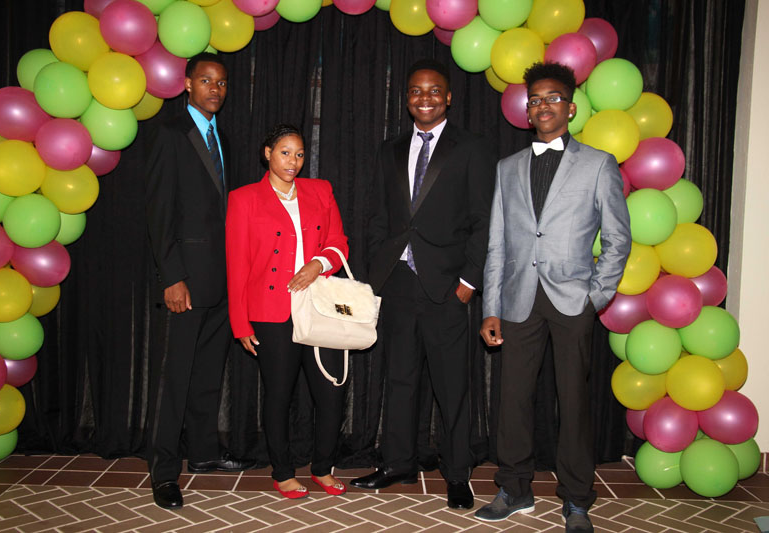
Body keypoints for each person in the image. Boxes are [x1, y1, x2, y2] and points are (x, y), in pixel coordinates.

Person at [474, 62, 631, 533]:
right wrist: (491, 307)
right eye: (536, 100)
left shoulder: (598, 164)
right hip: (518, 299)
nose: (544, 106)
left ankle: (577, 500)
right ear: (527, 111)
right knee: (512, 400)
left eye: (553, 98)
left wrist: (596, 297)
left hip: (572, 300)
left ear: (571, 108)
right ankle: (514, 488)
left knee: (574, 403)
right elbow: (498, 243)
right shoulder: (507, 168)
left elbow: (618, 239)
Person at [351, 59, 496, 510]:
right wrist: (378, 271)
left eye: (434, 91)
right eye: (416, 91)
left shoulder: (471, 148)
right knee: (399, 379)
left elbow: (484, 219)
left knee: (451, 386)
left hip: (448, 286)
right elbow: (377, 214)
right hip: (397, 282)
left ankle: (457, 473)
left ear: (448, 97)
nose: (425, 98)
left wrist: (469, 281)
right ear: (407, 98)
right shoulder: (389, 149)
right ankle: (398, 463)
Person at [144, 52, 256, 509]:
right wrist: (173, 276)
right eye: (207, 80)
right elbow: (159, 213)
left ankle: (205, 453)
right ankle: (163, 471)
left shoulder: (223, 138)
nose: (215, 89)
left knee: (209, 373)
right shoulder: (170, 134)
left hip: (222, 279)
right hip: (186, 281)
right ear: (187, 84)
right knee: (174, 379)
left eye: (222, 82)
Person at [226, 124, 350, 500]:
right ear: (267, 153)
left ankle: (323, 468)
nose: (293, 161)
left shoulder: (320, 190)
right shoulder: (244, 198)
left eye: (299, 154)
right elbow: (237, 264)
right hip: (270, 312)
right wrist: (240, 322)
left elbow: (338, 241)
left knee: (331, 393)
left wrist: (318, 264)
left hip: (318, 307)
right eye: (284, 152)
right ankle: (282, 472)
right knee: (279, 395)